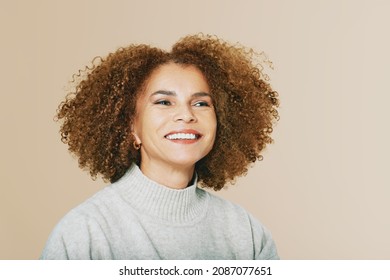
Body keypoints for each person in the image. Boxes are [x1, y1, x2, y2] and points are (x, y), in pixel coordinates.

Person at [40, 34, 280, 260]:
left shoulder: (246, 234)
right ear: (131, 125)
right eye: (164, 102)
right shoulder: (84, 233)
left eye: (200, 103)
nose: (186, 115)